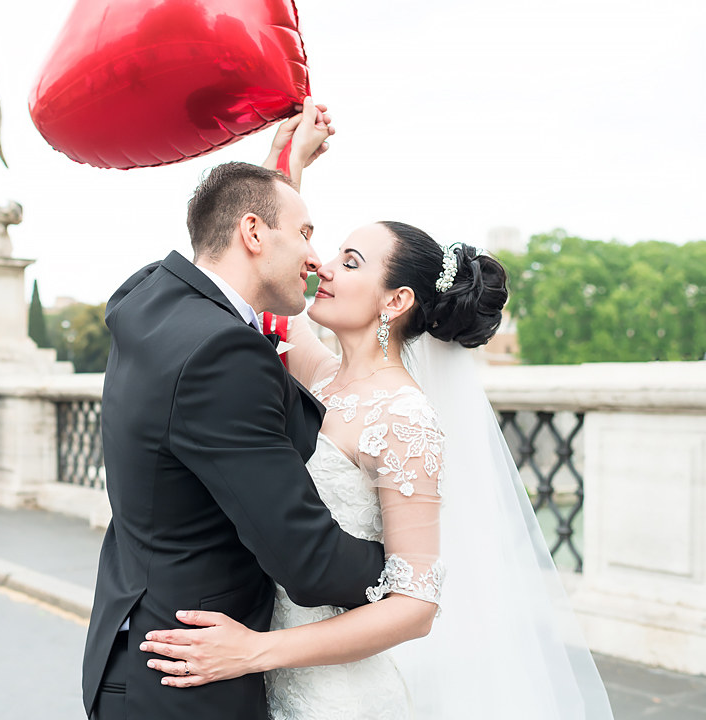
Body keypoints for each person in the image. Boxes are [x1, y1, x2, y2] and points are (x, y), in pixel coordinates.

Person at [138, 126, 614, 718]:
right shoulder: (320, 375)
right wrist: (285, 165)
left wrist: (256, 652)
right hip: (262, 678)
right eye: (331, 252)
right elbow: (257, 264)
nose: (323, 265)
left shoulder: (405, 416)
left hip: (335, 692)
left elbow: (415, 607)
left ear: (395, 302)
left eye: (350, 261)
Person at [82, 99, 386, 720]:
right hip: (191, 682)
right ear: (252, 233)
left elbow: (232, 253)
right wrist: (419, 570)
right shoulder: (225, 355)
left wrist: (283, 171)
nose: (315, 258)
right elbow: (310, 562)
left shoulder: (146, 297)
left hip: (130, 653)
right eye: (305, 233)